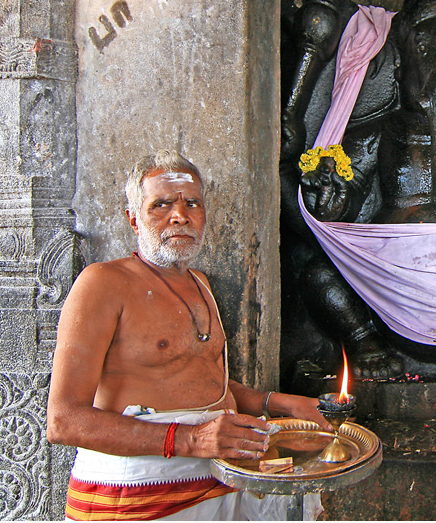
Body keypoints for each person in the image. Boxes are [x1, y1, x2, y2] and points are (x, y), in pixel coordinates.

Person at [47, 150, 330, 520]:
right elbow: (63, 421)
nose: (179, 215)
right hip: (140, 492)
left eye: (191, 203)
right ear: (133, 218)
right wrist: (192, 439)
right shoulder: (103, 283)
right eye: (161, 204)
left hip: (220, 473)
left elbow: (202, 383)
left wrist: (277, 404)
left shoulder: (200, 283)